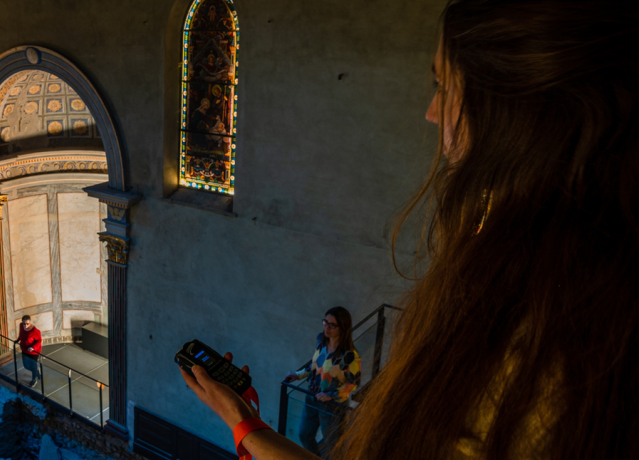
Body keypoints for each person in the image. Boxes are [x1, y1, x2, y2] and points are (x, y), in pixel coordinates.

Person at [180, 1, 639, 459]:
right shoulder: (575, 278)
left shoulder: (536, 339)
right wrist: (244, 422)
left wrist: (244, 425)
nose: (431, 112)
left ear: (514, 111)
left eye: (443, 85)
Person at [282, 307, 360, 458]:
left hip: (332, 405)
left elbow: (353, 383)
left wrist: (332, 395)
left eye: (332, 325)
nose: (326, 327)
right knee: (304, 435)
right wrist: (298, 375)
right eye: (325, 322)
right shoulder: (321, 341)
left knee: (333, 445)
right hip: (311, 396)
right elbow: (315, 366)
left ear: (342, 328)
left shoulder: (350, 355)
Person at [15, 315, 42, 387]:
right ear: (22, 322)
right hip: (24, 350)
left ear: (30, 322)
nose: (25, 325)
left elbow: (39, 341)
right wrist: (18, 340)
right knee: (26, 366)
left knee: (33, 366)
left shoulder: (35, 331)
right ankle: (36, 371)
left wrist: (33, 347)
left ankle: (34, 379)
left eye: (27, 324)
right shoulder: (21, 326)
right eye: (24, 323)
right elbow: (21, 334)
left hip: (33, 352)